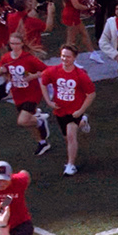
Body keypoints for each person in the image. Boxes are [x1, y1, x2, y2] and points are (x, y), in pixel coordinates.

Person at [38, 44, 94, 176]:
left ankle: (70, 165)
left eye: (68, 56)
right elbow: (43, 82)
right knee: (66, 137)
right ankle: (83, 122)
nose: (64, 59)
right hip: (60, 110)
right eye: (63, 56)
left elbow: (91, 94)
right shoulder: (53, 71)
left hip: (74, 110)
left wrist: (80, 111)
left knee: (70, 136)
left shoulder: (80, 75)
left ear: (74, 58)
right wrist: (48, 101)